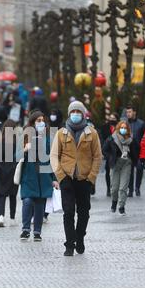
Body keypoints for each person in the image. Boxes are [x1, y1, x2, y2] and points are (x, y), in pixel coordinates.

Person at [51, 101, 102, 257]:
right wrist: (60, 175)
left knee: (84, 212)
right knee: (68, 212)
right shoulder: (61, 133)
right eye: (72, 111)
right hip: (67, 178)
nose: (75, 114)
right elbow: (54, 155)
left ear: (83, 114)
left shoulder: (92, 133)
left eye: (78, 112)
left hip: (84, 179)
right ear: (69, 113)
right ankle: (69, 244)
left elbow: (97, 157)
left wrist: (91, 177)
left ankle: (80, 237)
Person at [19, 111, 58, 242]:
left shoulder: (48, 138)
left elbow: (52, 159)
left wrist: (54, 179)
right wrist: (24, 150)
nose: (41, 123)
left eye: (42, 120)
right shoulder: (25, 136)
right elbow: (15, 156)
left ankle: (37, 232)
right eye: (38, 120)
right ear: (32, 123)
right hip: (28, 176)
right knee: (28, 201)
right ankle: (25, 229)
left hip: (43, 177)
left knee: (40, 205)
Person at [103, 121, 139, 215]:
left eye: (125, 128)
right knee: (114, 188)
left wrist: (135, 161)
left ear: (128, 129)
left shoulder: (131, 140)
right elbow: (104, 150)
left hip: (126, 163)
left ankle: (121, 206)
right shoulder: (112, 138)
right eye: (121, 127)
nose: (123, 129)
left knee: (123, 187)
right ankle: (114, 202)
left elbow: (136, 151)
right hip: (115, 164)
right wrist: (110, 158)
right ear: (118, 128)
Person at [0, 120, 19, 227]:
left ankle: (1, 216)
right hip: (13, 171)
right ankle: (12, 218)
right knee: (13, 195)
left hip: (1, 171)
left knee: (2, 194)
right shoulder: (16, 142)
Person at [125, 106, 145, 197]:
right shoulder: (125, 124)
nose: (128, 114)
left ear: (134, 112)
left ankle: (137, 187)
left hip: (138, 150)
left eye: (130, 112)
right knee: (129, 171)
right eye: (127, 112)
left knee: (139, 169)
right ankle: (130, 189)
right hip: (128, 150)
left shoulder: (141, 124)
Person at [100, 113, 119, 197]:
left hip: (118, 152)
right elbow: (102, 139)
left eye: (113, 118)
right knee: (108, 171)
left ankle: (115, 187)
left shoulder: (120, 127)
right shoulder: (105, 127)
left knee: (117, 171)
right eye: (110, 118)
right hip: (108, 152)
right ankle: (108, 188)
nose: (111, 119)